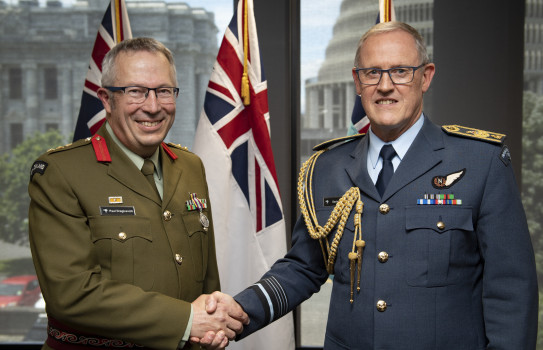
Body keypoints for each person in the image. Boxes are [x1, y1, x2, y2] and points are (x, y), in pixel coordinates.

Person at [201, 21, 539, 349]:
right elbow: (303, 267)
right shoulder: (325, 167)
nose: (385, 85)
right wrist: (242, 309)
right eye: (372, 72)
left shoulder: (480, 162)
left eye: (401, 71)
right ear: (357, 81)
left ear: (426, 76)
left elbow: (511, 289)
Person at [28, 37, 248, 350]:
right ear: (106, 99)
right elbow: (71, 294)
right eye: (136, 91)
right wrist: (187, 321)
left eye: (163, 91)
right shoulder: (60, 172)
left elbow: (206, 282)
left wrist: (209, 329)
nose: (154, 106)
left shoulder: (190, 166)